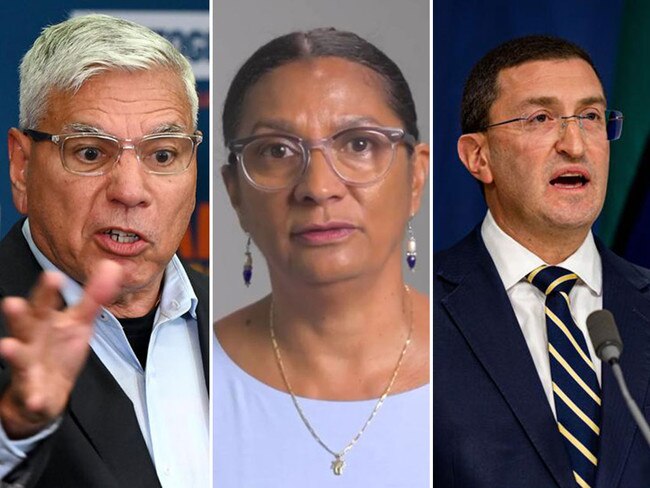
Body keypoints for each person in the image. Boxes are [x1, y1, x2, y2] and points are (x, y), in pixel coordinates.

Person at [213, 28, 430, 487]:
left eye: (357, 144)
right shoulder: (186, 374)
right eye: (276, 150)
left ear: (416, 176)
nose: (318, 187)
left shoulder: (485, 358)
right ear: (235, 192)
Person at [0, 14, 209, 487]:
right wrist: (14, 431)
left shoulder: (253, 333)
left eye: (162, 154)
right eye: (91, 152)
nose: (131, 191)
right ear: (21, 165)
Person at [434, 35, 650, 487]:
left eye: (590, 117)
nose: (575, 144)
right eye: (540, 118)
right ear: (479, 156)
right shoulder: (408, 310)